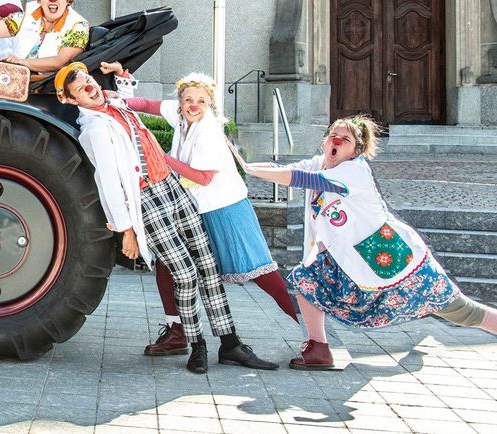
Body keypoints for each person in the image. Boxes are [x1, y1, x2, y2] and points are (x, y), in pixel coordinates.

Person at [56, 61, 277, 373]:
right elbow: (107, 181)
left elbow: (129, 98)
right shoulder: (94, 130)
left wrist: (122, 77)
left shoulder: (113, 103)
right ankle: (196, 345)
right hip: (147, 199)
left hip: (173, 187)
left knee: (208, 266)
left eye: (88, 80)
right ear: (70, 99)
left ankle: (230, 343)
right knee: (185, 275)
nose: (89, 87)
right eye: (80, 88)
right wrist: (126, 230)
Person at [243, 116, 497, 369]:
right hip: (351, 260)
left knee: (460, 310)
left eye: (345, 139)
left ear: (356, 150)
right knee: (306, 279)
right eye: (333, 136)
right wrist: (242, 164)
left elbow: (302, 179)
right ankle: (318, 349)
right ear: (324, 142)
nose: (336, 141)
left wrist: (250, 170)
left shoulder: (354, 171)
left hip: (395, 258)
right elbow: (286, 169)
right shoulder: (321, 164)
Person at [114, 69, 299, 356]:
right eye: (188, 99)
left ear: (209, 103)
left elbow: (203, 177)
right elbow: (148, 105)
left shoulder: (209, 131)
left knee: (259, 269)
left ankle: (306, 326)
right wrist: (119, 98)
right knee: (167, 264)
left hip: (225, 209)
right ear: (181, 101)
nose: (194, 105)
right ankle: (176, 331)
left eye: (201, 100)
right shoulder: (179, 115)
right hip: (192, 208)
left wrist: (161, 158)